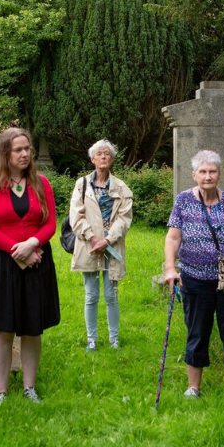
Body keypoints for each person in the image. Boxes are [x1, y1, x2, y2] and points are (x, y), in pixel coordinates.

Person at [165, 150, 224, 399]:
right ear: (194, 175)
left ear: (219, 174)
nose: (208, 176)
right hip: (194, 275)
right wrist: (171, 268)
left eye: (212, 171)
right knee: (197, 331)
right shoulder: (183, 201)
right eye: (203, 172)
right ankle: (194, 387)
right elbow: (173, 237)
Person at [0, 128, 60, 404]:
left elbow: (51, 223)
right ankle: (1, 391)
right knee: (3, 328)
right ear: (5, 153)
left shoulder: (41, 183)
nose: (24, 154)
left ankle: (30, 388)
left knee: (32, 328)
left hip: (37, 262)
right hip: (2, 265)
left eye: (27, 149)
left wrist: (32, 243)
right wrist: (17, 251)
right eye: (18, 149)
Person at [69, 139, 132, 351]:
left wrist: (107, 240)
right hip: (89, 246)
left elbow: (125, 219)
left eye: (107, 154)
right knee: (91, 295)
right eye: (99, 154)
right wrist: (93, 238)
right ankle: (92, 340)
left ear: (112, 159)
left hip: (111, 247)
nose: (103, 157)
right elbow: (75, 216)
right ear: (92, 159)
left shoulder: (122, 187)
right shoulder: (82, 184)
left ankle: (114, 340)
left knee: (111, 295)